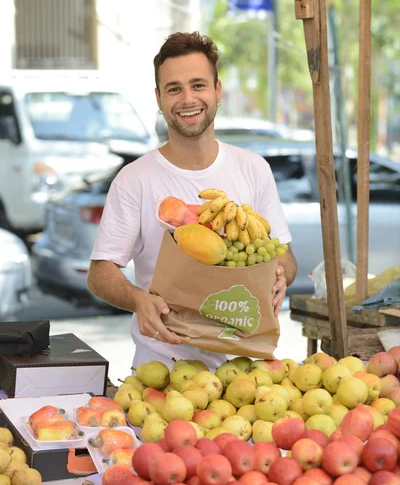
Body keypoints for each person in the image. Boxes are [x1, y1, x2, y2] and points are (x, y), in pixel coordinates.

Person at [87, 31, 297, 370]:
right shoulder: (134, 180)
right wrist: (138, 299)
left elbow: (283, 255)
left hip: (248, 368)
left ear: (218, 91)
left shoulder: (254, 169)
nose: (187, 98)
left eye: (198, 85)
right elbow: (100, 273)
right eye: (174, 88)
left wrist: (280, 275)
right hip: (164, 368)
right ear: (159, 98)